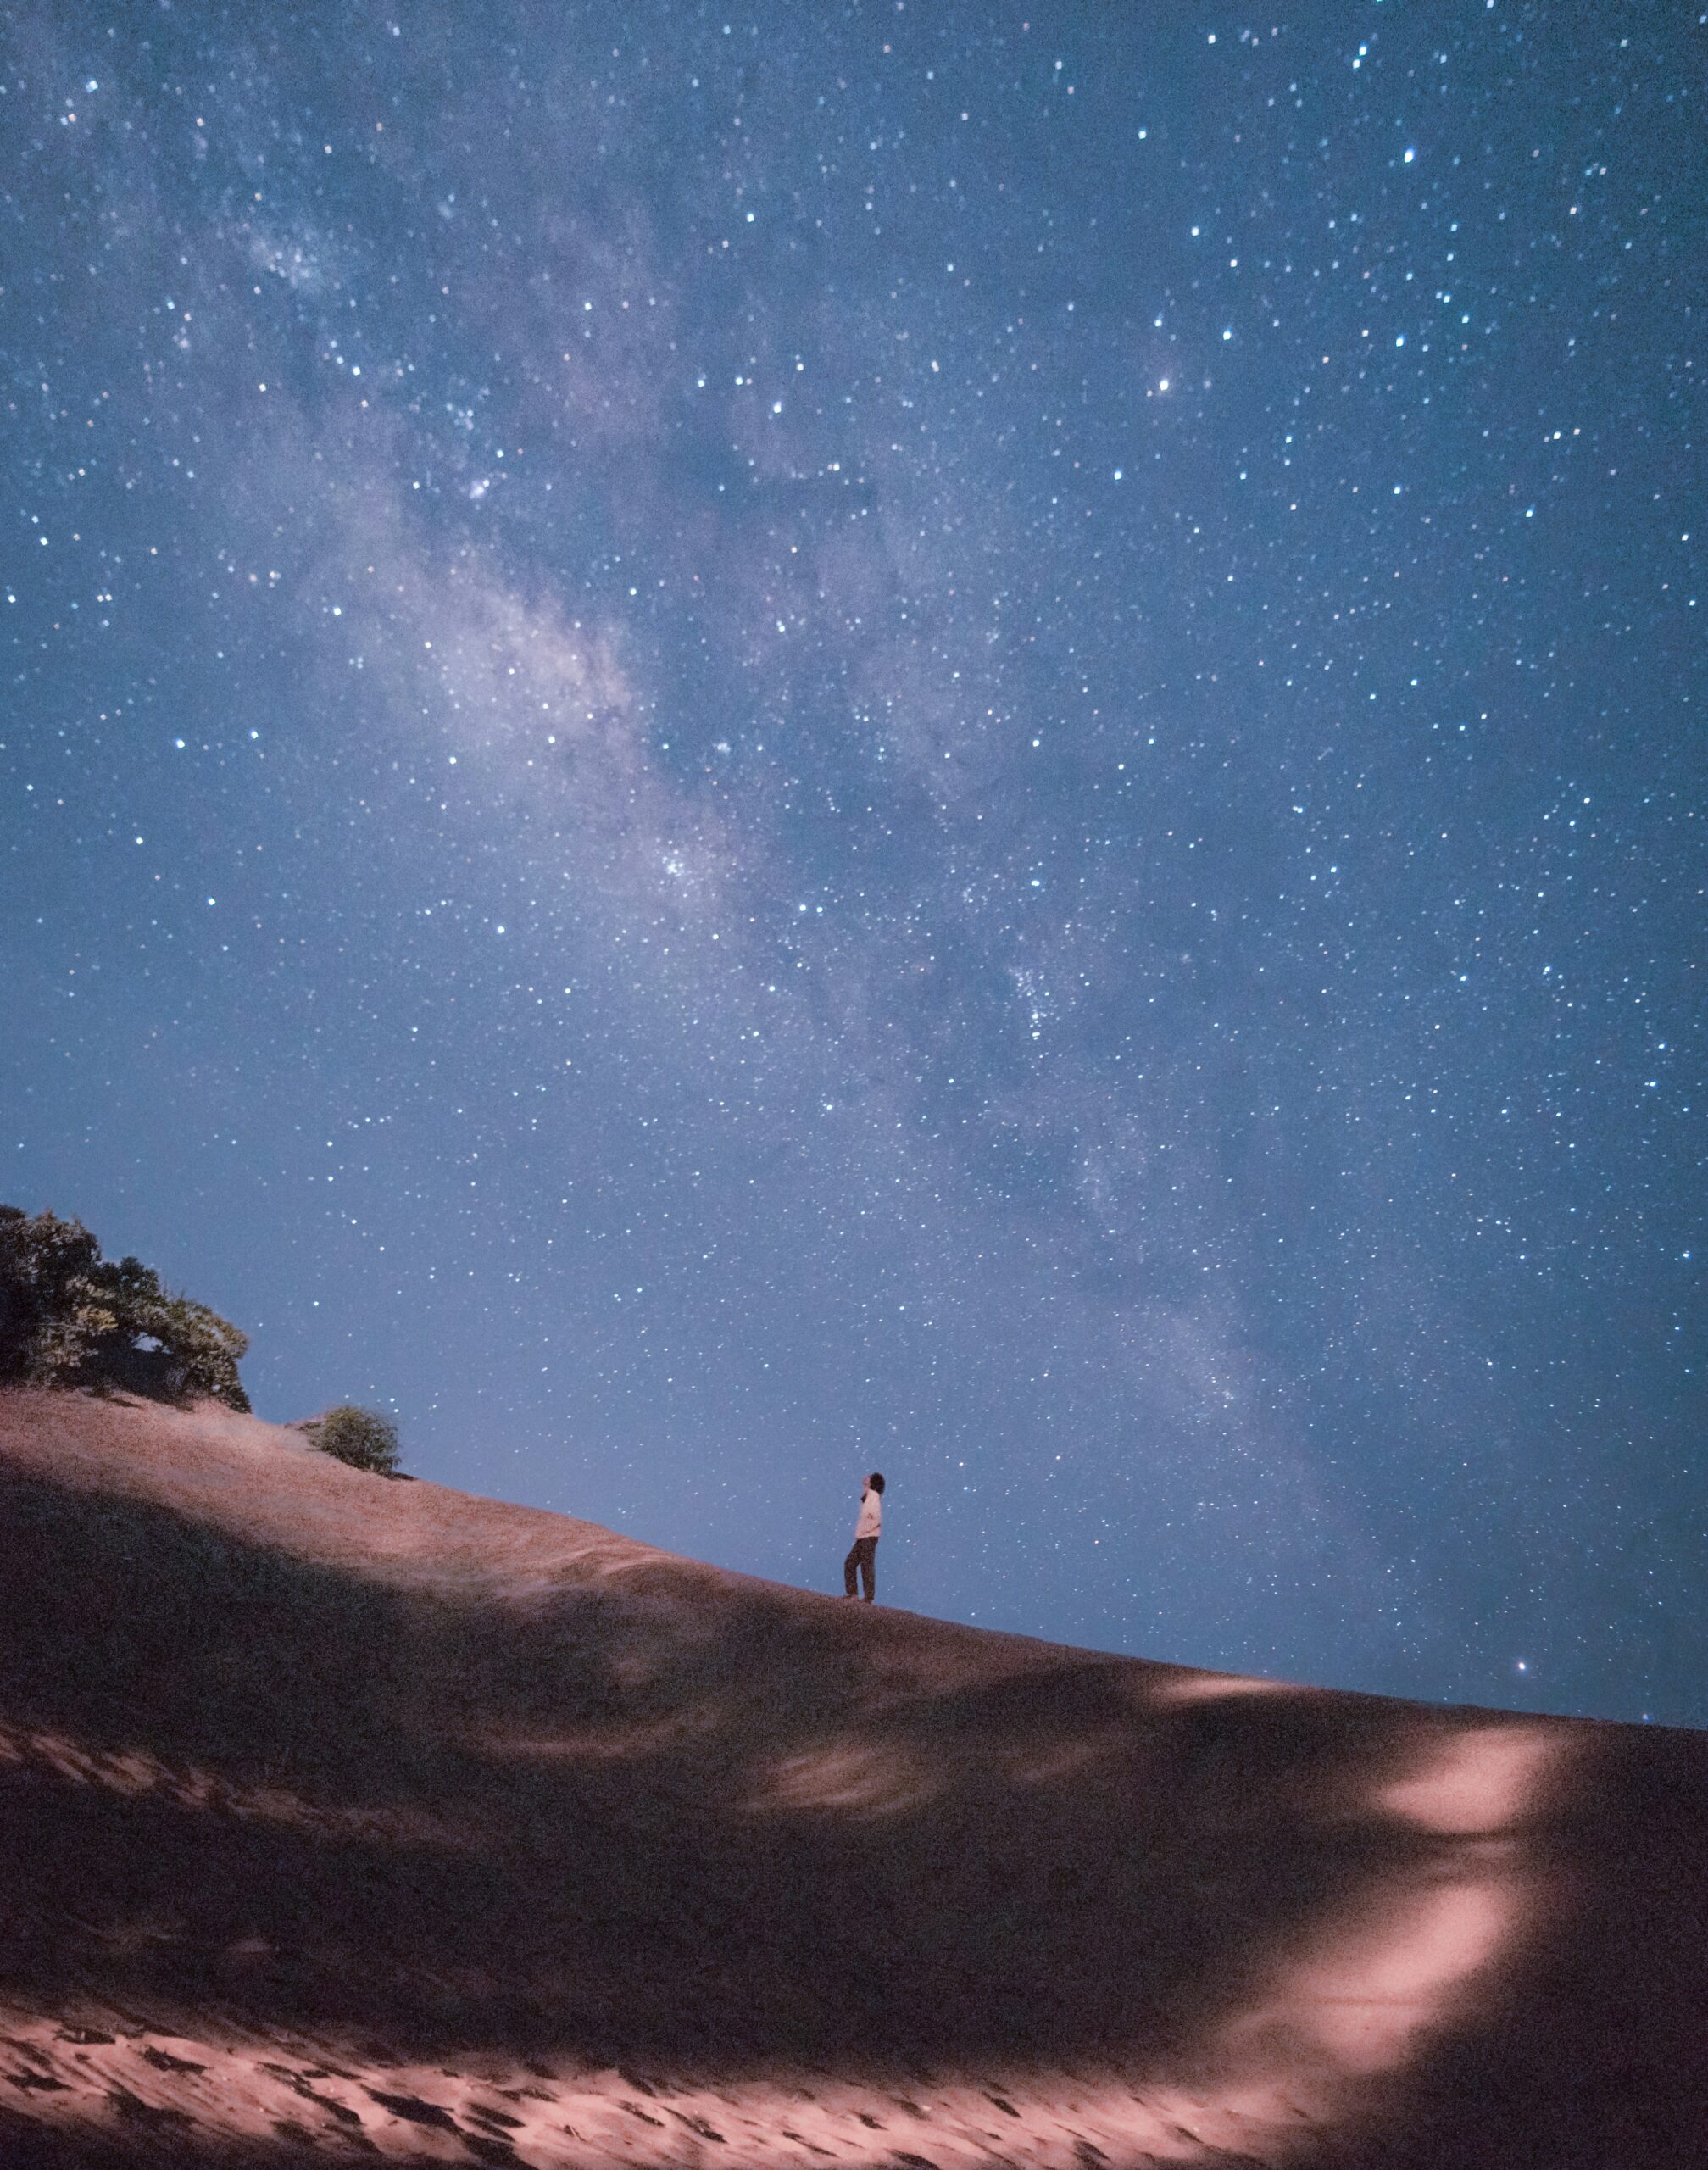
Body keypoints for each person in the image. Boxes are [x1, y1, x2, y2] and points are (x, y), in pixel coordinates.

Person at [843, 1471, 885, 1602]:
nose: (865, 1477)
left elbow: (875, 1518)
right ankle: (853, 1594)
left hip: (868, 1536)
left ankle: (867, 1598)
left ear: (872, 1482)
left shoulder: (873, 1496)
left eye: (869, 1477)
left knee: (866, 1566)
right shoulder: (868, 1496)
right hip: (864, 1536)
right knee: (851, 1563)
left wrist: (865, 1530)